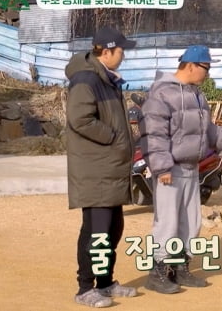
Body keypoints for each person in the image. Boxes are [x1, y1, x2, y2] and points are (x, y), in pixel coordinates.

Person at [139, 45, 222, 294]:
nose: (208, 74)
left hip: (190, 168)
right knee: (167, 221)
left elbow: (207, 130)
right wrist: (162, 167)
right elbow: (154, 134)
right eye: (206, 68)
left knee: (190, 221)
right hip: (170, 170)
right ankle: (158, 273)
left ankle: (181, 269)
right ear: (190, 66)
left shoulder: (197, 95)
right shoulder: (162, 94)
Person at [65, 27, 138, 308]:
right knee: (96, 232)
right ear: (106, 51)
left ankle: (105, 283)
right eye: (121, 51)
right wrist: (113, 137)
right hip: (96, 169)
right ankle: (86, 288)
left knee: (112, 229)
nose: (123, 55)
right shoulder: (87, 79)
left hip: (110, 169)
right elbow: (80, 119)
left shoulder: (106, 79)